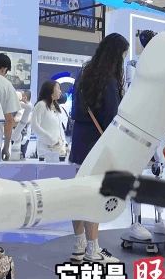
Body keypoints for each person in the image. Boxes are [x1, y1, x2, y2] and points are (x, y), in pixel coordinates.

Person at [69, 33, 129, 264]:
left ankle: (79, 245)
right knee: (94, 197)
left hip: (79, 145)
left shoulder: (83, 74)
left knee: (79, 195)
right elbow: (112, 119)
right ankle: (93, 250)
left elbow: (75, 112)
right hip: (98, 147)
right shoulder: (109, 82)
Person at [31, 80, 68, 160]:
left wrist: (64, 145)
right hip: (46, 152)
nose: (60, 91)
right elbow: (34, 126)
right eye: (58, 88)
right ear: (50, 89)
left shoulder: (57, 107)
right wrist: (53, 141)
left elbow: (60, 129)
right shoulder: (41, 105)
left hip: (60, 152)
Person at [12, 90, 34, 159]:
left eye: (21, 96)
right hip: (15, 133)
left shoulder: (31, 108)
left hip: (24, 136)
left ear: (25, 98)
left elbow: (28, 120)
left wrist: (17, 120)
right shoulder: (19, 107)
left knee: (21, 156)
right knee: (14, 154)